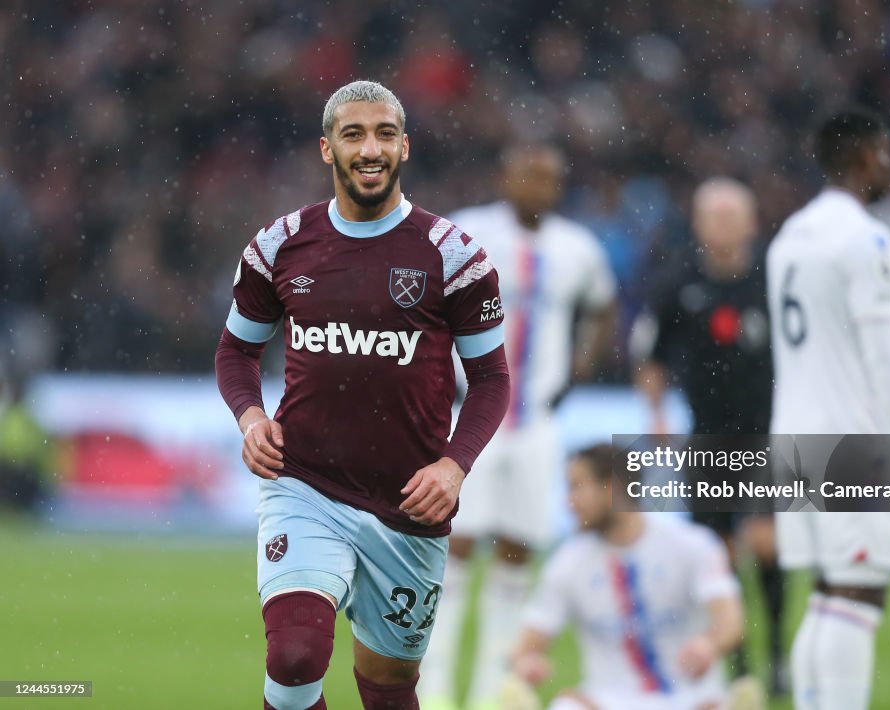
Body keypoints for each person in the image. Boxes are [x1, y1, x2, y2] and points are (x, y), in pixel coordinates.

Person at [214, 80, 510, 710]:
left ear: (405, 146)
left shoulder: (453, 256)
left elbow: (491, 380)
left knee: (390, 684)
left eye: (383, 134)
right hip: (306, 484)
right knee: (294, 659)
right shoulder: (279, 246)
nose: (369, 149)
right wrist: (250, 418)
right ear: (328, 149)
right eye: (353, 134)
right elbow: (235, 351)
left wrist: (454, 467)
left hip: (410, 502)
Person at [418, 144, 618, 710]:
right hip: (469, 416)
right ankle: (433, 690)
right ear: (505, 176)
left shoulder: (576, 248)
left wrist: (583, 363)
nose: (540, 186)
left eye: (551, 178)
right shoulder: (465, 234)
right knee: (453, 546)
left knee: (518, 551)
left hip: (535, 423)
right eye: (530, 175)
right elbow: (422, 303)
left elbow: (603, 306)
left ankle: (490, 694)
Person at [767, 108, 890, 710]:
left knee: (828, 594)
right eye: (887, 154)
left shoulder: (789, 235)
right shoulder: (866, 238)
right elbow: (887, 358)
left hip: (792, 437)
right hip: (850, 441)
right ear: (866, 158)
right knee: (859, 596)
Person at [635, 178, 786, 695]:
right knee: (718, 554)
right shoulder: (677, 280)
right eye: (712, 215)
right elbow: (650, 358)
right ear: (698, 222)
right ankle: (739, 661)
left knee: (767, 545)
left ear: (751, 221)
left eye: (731, 214)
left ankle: (778, 653)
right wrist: (656, 416)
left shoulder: (775, 278)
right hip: (707, 439)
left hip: (768, 434)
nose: (722, 224)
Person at [508, 443, 744, 710]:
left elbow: (731, 621)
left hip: (690, 698)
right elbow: (526, 645)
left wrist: (708, 644)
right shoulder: (568, 562)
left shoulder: (692, 544)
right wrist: (526, 663)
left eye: (577, 487)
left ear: (613, 487)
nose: (569, 502)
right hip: (607, 701)